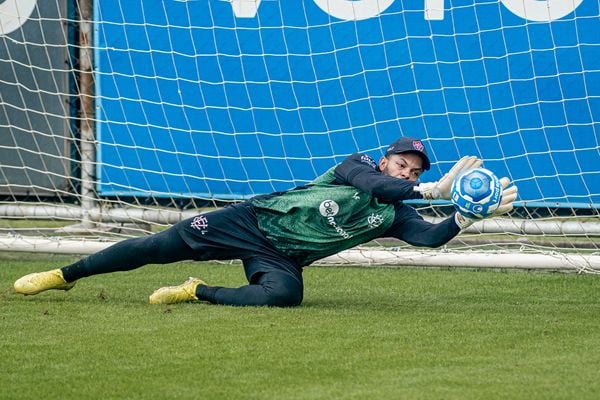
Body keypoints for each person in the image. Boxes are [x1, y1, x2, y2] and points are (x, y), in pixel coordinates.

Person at [14, 137, 517, 307]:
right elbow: (378, 187)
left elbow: (428, 238)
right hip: (254, 222)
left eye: (416, 171)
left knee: (284, 297)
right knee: (158, 245)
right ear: (387, 160)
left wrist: (464, 217)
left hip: (282, 256)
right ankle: (65, 276)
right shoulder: (357, 166)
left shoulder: (395, 212)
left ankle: (196, 291)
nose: (406, 171)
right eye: (403, 164)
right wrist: (429, 189)